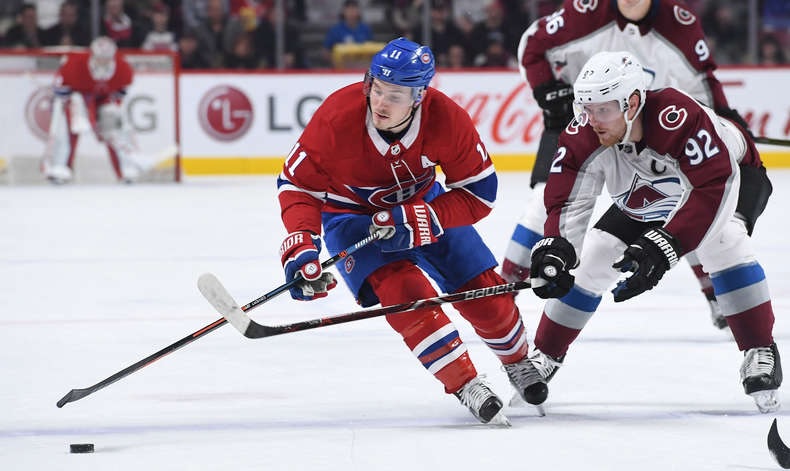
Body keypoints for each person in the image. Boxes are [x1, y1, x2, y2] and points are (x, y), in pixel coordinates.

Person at [275, 37, 540, 424]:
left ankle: (517, 361)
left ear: (419, 96)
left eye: (395, 95)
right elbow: (297, 185)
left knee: (485, 293)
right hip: (351, 218)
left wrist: (428, 216)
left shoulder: (447, 120)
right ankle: (466, 383)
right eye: (377, 88)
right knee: (407, 297)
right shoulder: (336, 117)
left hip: (425, 203)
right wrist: (302, 243)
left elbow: (480, 194)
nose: (380, 103)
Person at [515, 50, 781, 414]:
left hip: (730, 178)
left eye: (603, 109)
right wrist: (557, 249)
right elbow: (569, 202)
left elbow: (714, 185)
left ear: (633, 102)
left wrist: (664, 247)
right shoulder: (582, 133)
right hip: (650, 192)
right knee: (595, 256)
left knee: (724, 241)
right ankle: (546, 354)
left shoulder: (679, 117)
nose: (592, 120)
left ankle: (759, 347)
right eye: (586, 108)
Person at [502, 0, 752, 331]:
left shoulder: (679, 24)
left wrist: (723, 121)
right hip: (584, 125)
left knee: (685, 199)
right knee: (542, 204)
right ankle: (505, 291)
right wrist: (547, 90)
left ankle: (713, 292)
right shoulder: (585, 11)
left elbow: (702, 80)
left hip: (652, 130)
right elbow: (534, 45)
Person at [41, 36, 149, 184]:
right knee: (72, 126)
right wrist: (85, 111)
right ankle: (60, 166)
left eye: (107, 58)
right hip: (77, 96)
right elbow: (61, 93)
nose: (103, 61)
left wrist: (103, 119)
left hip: (103, 98)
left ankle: (125, 168)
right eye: (99, 58)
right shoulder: (74, 64)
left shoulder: (123, 68)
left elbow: (119, 94)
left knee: (112, 122)